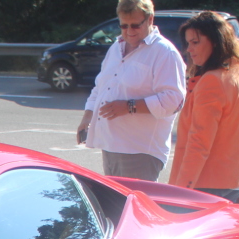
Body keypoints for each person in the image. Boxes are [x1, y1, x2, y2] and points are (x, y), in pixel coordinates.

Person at [76, 0, 185, 181]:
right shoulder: (116, 48)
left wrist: (129, 106)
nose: (129, 31)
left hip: (140, 149)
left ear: (150, 20)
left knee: (134, 206)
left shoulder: (164, 52)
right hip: (111, 144)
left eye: (135, 25)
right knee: (116, 207)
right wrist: (87, 117)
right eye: (124, 26)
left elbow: (174, 100)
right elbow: (101, 87)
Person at [168, 12, 239, 201]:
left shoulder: (213, 81)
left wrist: (181, 191)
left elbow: (198, 143)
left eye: (195, 42)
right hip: (237, 177)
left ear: (215, 41)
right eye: (187, 43)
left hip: (207, 185)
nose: (188, 50)